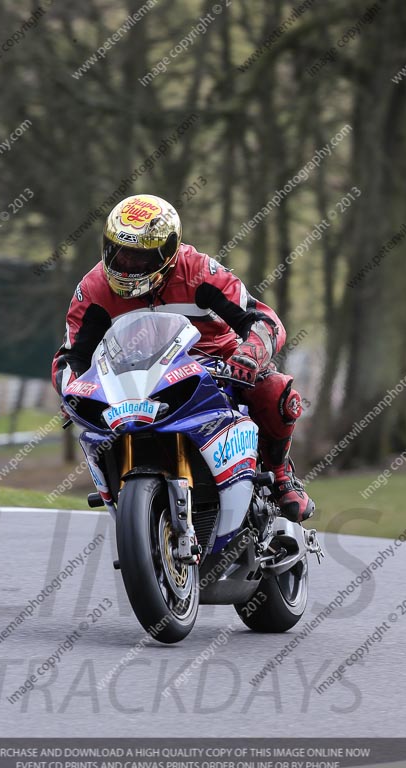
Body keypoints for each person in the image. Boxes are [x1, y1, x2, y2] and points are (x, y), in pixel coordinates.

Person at [52, 194, 314, 522]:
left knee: (275, 390)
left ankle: (280, 473)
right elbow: (71, 355)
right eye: (118, 252)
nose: (126, 265)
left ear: (169, 253)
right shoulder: (93, 289)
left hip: (216, 366)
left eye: (139, 258)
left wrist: (248, 357)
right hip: (134, 377)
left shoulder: (200, 271)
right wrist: (73, 390)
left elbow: (262, 319)